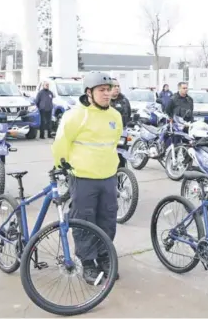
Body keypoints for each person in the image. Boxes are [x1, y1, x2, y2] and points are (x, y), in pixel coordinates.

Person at [52, 71, 122, 284]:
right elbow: (61, 143)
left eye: (108, 90)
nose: (107, 94)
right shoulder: (75, 115)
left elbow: (114, 142)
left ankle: (104, 256)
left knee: (108, 220)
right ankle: (88, 263)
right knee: (84, 221)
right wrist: (60, 166)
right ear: (89, 92)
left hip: (108, 177)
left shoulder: (115, 116)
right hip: (82, 178)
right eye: (102, 90)